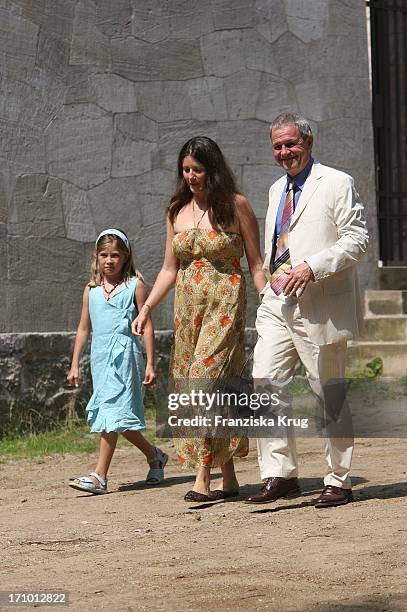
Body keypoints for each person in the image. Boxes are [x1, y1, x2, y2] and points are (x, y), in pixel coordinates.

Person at [245, 113, 369, 508]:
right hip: (278, 303)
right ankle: (280, 475)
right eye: (278, 146)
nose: (285, 152)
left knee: (327, 393)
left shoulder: (336, 182)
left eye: (291, 144)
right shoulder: (274, 189)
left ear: (309, 143)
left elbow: (358, 239)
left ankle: (338, 480)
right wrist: (265, 285)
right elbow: (277, 243)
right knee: (265, 382)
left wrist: (313, 267)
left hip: (320, 306)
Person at [132, 136, 266, 502]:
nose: (191, 176)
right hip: (188, 308)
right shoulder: (176, 210)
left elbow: (256, 263)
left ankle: (202, 475)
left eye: (198, 169)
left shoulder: (236, 206)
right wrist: (146, 309)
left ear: (213, 170)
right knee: (209, 385)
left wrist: (270, 299)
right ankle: (230, 474)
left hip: (225, 302)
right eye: (186, 170)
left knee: (203, 381)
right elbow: (167, 268)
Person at [67, 228, 168, 495]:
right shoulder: (91, 291)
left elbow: (146, 325)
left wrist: (149, 363)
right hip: (100, 358)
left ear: (125, 257)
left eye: (115, 255)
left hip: (126, 358)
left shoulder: (135, 285)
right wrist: (75, 362)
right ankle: (155, 455)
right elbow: (83, 328)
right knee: (118, 419)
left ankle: (99, 476)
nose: (108, 260)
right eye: (104, 255)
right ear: (97, 257)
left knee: (112, 413)